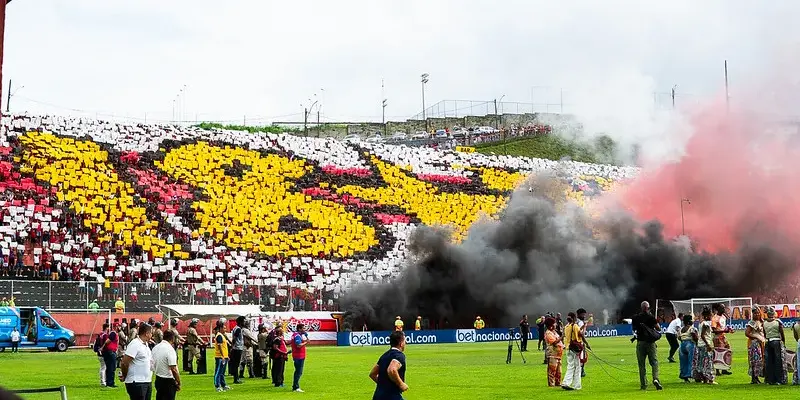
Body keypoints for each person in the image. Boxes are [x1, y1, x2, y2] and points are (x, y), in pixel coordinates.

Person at [631, 301, 662, 390]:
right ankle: (655, 379)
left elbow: (634, 329)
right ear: (648, 308)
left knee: (641, 365)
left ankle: (643, 385)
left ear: (641, 308)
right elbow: (658, 328)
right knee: (654, 362)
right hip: (650, 343)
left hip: (640, 342)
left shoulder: (635, 318)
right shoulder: (650, 317)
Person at [369, 331, 409, 400]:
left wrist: (383, 384)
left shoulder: (384, 356)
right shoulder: (399, 355)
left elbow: (372, 374)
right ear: (401, 343)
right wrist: (401, 384)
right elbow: (392, 370)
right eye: (405, 341)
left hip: (378, 395)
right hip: (392, 396)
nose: (406, 343)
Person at [120, 323, 153, 400]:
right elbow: (125, 362)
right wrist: (125, 375)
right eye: (151, 333)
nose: (152, 335)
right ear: (147, 333)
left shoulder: (146, 344)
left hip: (146, 380)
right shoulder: (135, 344)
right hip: (137, 382)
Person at [152, 330, 181, 400]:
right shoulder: (170, 349)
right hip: (168, 380)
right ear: (172, 338)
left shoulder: (155, 348)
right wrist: (178, 381)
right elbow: (173, 369)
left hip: (158, 378)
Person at [763, 306, 786, 385]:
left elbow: (764, 334)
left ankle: (770, 380)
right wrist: (783, 341)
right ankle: (779, 379)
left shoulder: (764, 323)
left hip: (768, 341)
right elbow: (782, 333)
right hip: (776, 341)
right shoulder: (778, 322)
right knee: (777, 361)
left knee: (769, 361)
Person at [693, 307, 717, 384]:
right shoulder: (706, 324)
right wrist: (708, 344)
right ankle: (710, 380)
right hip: (705, 345)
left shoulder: (701, 323)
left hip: (700, 345)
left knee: (702, 362)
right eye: (711, 315)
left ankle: (704, 379)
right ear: (707, 316)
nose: (712, 316)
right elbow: (703, 335)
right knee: (708, 363)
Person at [561, 314, 582, 391]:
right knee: (577, 367)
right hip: (574, 349)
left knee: (570, 366)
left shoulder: (566, 327)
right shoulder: (575, 326)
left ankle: (566, 382)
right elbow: (580, 335)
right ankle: (577, 385)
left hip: (568, 348)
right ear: (574, 318)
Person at [746, 305, 765, 384]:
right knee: (755, 361)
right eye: (755, 313)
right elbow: (747, 333)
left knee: (761, 360)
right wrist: (756, 337)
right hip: (754, 344)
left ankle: (758, 377)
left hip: (762, 343)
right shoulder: (752, 323)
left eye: (758, 313)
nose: (757, 315)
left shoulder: (761, 321)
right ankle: (754, 378)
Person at [711, 304, 732, 376]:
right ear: (718, 309)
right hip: (717, 337)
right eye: (722, 308)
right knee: (718, 353)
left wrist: (728, 329)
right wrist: (724, 331)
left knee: (727, 350)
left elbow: (723, 327)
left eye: (724, 308)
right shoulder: (714, 318)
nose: (724, 309)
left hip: (723, 337)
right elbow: (713, 330)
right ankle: (717, 371)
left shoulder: (723, 317)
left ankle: (724, 369)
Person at [544, 317, 563, 387]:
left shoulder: (554, 332)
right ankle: (551, 384)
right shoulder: (548, 333)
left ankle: (558, 383)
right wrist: (562, 337)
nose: (555, 324)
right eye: (554, 323)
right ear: (551, 325)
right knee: (552, 370)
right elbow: (554, 342)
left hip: (558, 354)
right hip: (552, 354)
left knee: (559, 371)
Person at [213, 320, 231, 392]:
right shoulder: (219, 336)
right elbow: (220, 347)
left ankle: (223, 385)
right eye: (224, 328)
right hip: (220, 357)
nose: (225, 329)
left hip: (224, 356)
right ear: (220, 328)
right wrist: (223, 356)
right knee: (218, 372)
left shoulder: (222, 336)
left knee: (222, 372)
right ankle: (217, 386)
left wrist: (226, 356)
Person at [678, 314, 696, 382]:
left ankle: (684, 375)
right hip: (690, 344)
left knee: (683, 361)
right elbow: (694, 336)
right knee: (691, 360)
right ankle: (690, 374)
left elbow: (679, 337)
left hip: (682, 345)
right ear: (689, 321)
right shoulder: (691, 328)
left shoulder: (681, 329)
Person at [101, 322, 119, 389]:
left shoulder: (113, 333)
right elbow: (107, 341)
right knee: (111, 368)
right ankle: (110, 383)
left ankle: (109, 382)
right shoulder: (113, 333)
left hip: (110, 351)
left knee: (110, 368)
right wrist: (103, 347)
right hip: (110, 352)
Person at [291, 323, 309, 392]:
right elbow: (298, 345)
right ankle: (296, 387)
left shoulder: (296, 335)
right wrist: (306, 342)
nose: (304, 329)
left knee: (297, 371)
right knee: (298, 372)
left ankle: (295, 386)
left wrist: (306, 335)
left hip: (297, 355)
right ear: (299, 329)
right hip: (299, 356)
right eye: (303, 328)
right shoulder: (297, 336)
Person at [229, 316, 245, 384]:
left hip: (236, 348)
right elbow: (235, 338)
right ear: (241, 322)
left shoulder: (235, 328)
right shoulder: (238, 329)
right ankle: (236, 379)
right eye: (244, 321)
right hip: (237, 348)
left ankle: (236, 377)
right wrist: (232, 347)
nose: (245, 322)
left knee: (235, 364)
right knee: (236, 364)